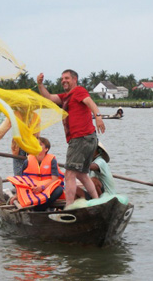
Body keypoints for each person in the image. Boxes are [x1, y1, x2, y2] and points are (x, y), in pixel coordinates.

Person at [37, 69, 105, 207]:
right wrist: (40, 84)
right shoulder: (66, 97)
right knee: (82, 174)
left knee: (69, 174)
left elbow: (91, 103)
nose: (64, 81)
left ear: (75, 79)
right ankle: (97, 201)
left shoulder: (79, 91)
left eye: (67, 78)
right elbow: (49, 97)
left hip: (81, 139)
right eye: (62, 79)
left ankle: (68, 207)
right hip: (89, 139)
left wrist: (98, 117)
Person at [7, 137, 64, 211]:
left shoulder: (52, 160)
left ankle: (39, 208)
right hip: (32, 190)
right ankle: (37, 207)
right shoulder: (28, 160)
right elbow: (22, 181)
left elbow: (55, 179)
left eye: (40, 144)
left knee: (59, 190)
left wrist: (42, 188)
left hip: (46, 188)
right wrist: (18, 195)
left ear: (46, 149)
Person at [0, 111, 39, 175]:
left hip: (25, 145)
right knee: (29, 168)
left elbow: (1, 130)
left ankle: (21, 180)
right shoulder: (33, 116)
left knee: (22, 171)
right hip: (24, 145)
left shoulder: (17, 115)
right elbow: (37, 136)